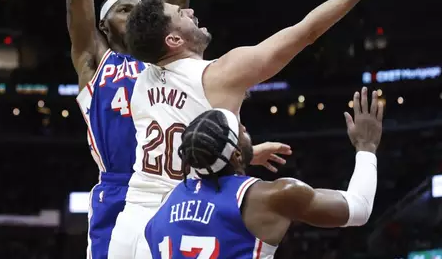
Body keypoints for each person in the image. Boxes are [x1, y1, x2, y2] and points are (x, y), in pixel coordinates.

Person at [117, 0, 417, 258]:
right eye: (181, 14)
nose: (190, 12)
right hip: (199, 212)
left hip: (137, 222)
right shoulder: (220, 74)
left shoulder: (140, 81)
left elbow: (173, 126)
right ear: (174, 40)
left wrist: (242, 152)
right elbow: (307, 31)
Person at [66, 0, 288, 258]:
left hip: (180, 191)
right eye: (123, 8)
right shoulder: (93, 63)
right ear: (103, 26)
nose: (135, 10)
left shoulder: (163, 59)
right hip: (120, 194)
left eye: (139, 6)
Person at [144, 87, 383, 259]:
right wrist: (366, 147)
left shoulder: (164, 205)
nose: (246, 129)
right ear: (236, 155)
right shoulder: (274, 196)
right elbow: (359, 208)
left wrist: (244, 155)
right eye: (242, 130)